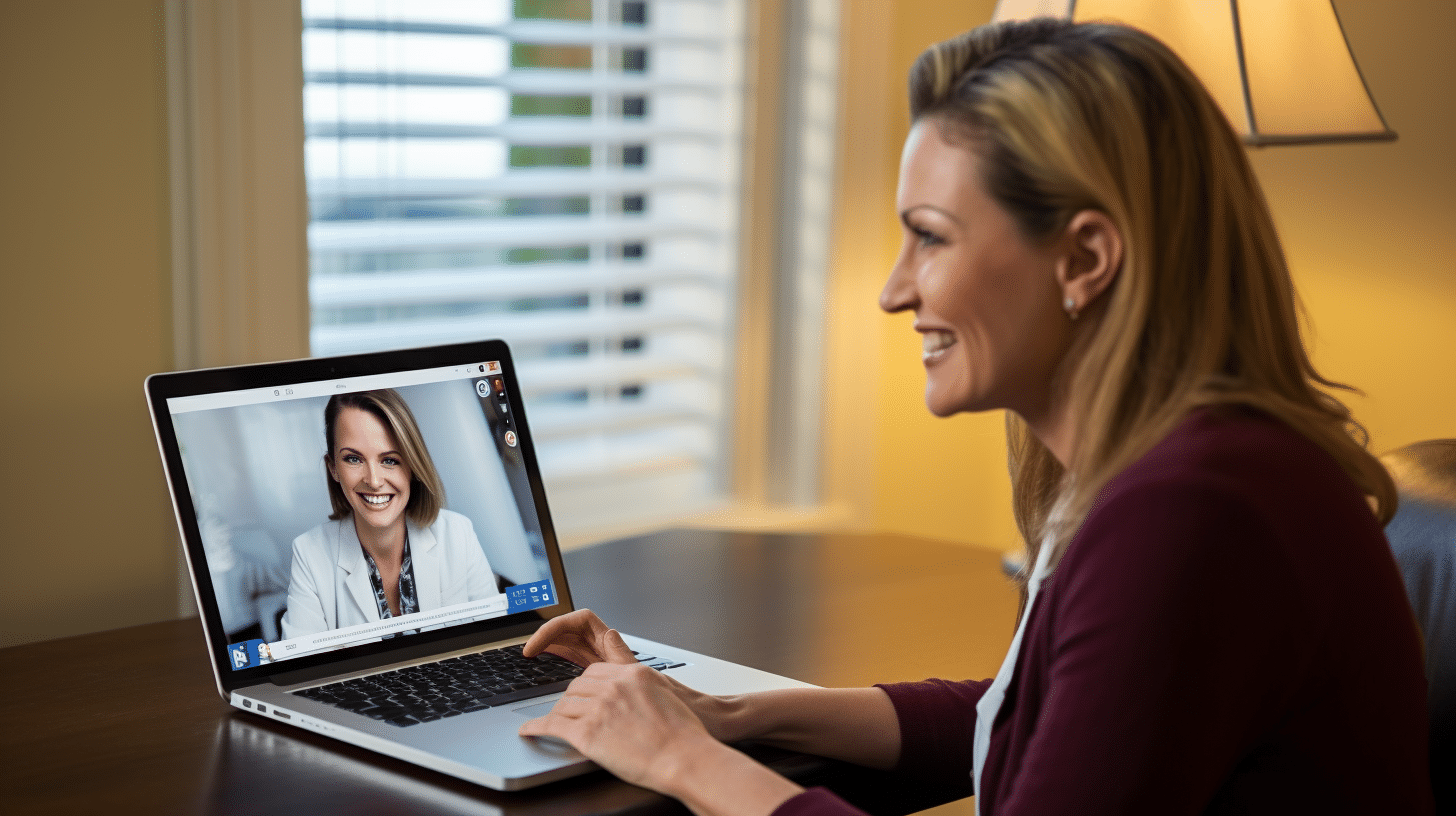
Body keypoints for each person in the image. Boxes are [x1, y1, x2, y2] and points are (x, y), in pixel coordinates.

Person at [514, 18, 1434, 815]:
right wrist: (733, 716)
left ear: (1084, 259)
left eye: (932, 235)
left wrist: (686, 764)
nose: (893, 289)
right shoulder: (1191, 467)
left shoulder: (1192, 511)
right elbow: (1024, 717)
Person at [281, 389, 498, 639]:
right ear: (333, 468)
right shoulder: (309, 553)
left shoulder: (458, 533)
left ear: (412, 465)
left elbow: (495, 641)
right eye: (353, 459)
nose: (374, 481)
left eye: (390, 460)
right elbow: (302, 667)